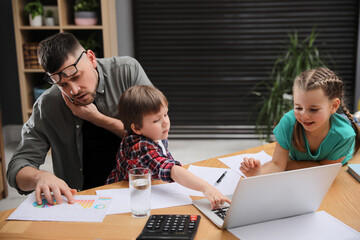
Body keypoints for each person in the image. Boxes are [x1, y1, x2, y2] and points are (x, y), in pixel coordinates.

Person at [6, 32, 152, 205]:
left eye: (76, 77)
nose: (74, 90)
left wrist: (97, 118)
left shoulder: (127, 71)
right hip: (83, 201)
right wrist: (41, 177)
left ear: (91, 58)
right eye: (63, 85)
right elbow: (17, 166)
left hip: (139, 187)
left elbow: (155, 135)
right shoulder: (48, 105)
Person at [105, 85, 231, 209]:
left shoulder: (154, 135)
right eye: (156, 120)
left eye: (165, 114)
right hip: (123, 200)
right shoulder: (141, 147)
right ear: (137, 128)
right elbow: (170, 169)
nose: (165, 122)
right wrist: (206, 188)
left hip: (149, 189)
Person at [240, 67, 360, 177]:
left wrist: (287, 164)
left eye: (313, 109)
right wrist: (258, 173)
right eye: (298, 108)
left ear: (334, 106)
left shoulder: (345, 135)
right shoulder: (288, 122)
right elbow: (277, 165)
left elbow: (324, 170)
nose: (304, 116)